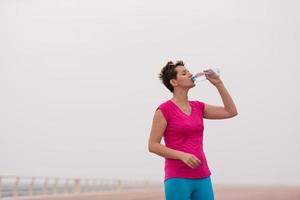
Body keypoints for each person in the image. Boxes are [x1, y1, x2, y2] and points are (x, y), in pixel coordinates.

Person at [148, 60, 238, 200]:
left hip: (202, 175)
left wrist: (218, 83)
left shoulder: (198, 107)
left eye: (188, 71)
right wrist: (182, 155)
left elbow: (230, 111)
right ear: (174, 82)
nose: (190, 74)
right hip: (177, 178)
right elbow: (153, 145)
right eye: (184, 73)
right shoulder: (164, 110)